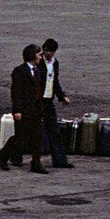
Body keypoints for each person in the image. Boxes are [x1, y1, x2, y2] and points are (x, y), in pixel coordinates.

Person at [0, 43, 49, 174]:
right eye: (38, 54)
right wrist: (18, 110)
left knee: (38, 136)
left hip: (36, 108)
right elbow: (16, 92)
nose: (40, 57)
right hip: (25, 110)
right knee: (21, 137)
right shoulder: (20, 71)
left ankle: (36, 163)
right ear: (32, 56)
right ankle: (3, 155)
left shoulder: (38, 70)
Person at [38, 37, 72, 169]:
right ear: (43, 49)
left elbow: (55, 81)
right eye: (47, 51)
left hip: (48, 101)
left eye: (51, 52)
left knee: (54, 131)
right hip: (37, 101)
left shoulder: (54, 63)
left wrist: (62, 96)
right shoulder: (37, 61)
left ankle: (60, 161)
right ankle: (12, 156)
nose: (48, 54)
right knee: (29, 129)